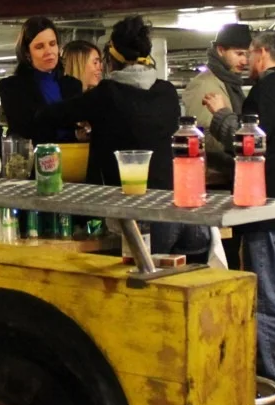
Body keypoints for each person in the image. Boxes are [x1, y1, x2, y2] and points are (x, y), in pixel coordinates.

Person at [37, 16, 208, 256]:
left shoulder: (107, 94)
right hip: (183, 214)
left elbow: (48, 116)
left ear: (111, 56)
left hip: (139, 218)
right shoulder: (167, 92)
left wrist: (63, 87)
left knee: (139, 289)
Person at [204, 32, 275, 405]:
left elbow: (247, 143)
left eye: (249, 54)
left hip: (267, 211)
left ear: (262, 54)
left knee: (272, 300)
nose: (246, 61)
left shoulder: (265, 93)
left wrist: (220, 114)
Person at [0, 16, 83, 142]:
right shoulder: (11, 87)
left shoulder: (73, 85)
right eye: (40, 47)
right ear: (27, 53)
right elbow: (26, 129)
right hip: (34, 159)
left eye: (52, 44)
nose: (49, 51)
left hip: (71, 158)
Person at [183, 23, 251, 178]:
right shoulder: (204, 84)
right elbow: (201, 135)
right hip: (217, 174)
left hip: (232, 170)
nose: (244, 61)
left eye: (247, 55)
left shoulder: (231, 83)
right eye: (239, 54)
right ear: (221, 50)